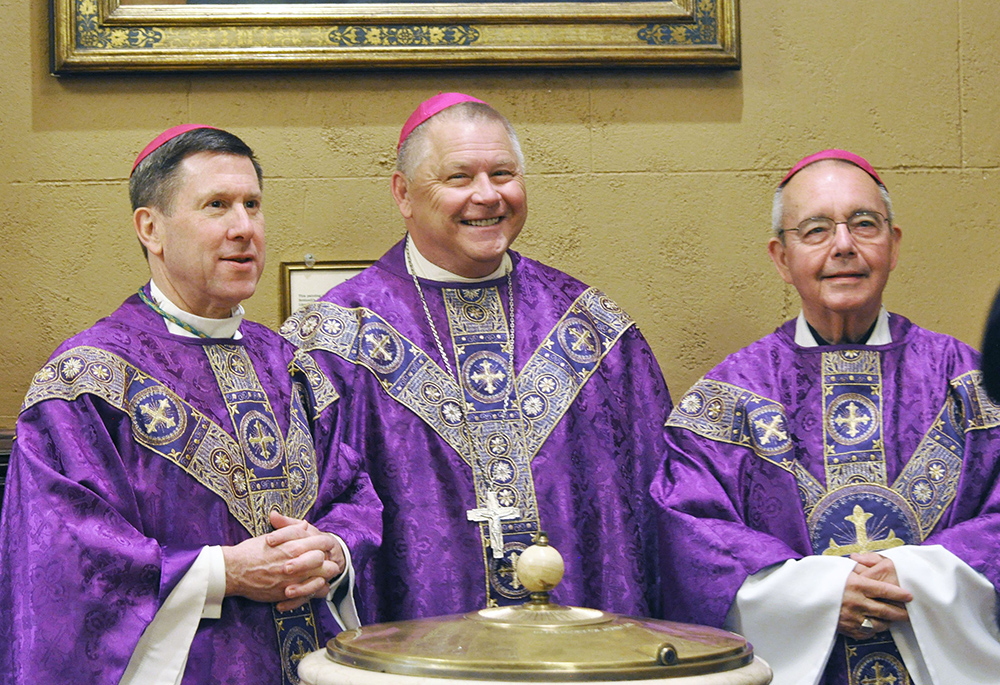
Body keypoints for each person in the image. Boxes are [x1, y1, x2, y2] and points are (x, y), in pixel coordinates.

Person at [0, 125, 382, 685]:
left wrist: (333, 551)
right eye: (217, 206)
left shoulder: (294, 366)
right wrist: (223, 572)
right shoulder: (86, 383)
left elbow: (353, 493)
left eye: (253, 205)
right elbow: (64, 560)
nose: (244, 228)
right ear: (150, 228)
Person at [281, 93, 672, 622]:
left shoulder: (594, 331)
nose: (487, 196)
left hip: (580, 660)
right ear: (404, 193)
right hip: (419, 658)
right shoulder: (333, 340)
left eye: (504, 174)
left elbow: (656, 514)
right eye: (459, 178)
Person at [653, 149, 1000, 684]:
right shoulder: (728, 399)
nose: (844, 246)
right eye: (815, 230)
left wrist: (912, 578)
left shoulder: (971, 385)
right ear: (780, 257)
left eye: (864, 224)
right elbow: (691, 540)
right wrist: (821, 597)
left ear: (894, 243)